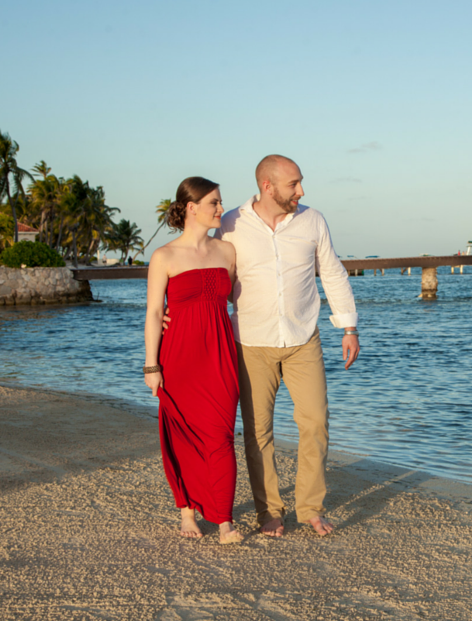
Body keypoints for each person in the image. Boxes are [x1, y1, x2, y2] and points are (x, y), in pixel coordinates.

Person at [216, 154, 360, 537]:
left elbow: (332, 272)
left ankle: (311, 507)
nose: (301, 190)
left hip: (303, 338)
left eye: (300, 182)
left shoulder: (313, 220)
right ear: (268, 186)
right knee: (257, 431)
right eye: (293, 183)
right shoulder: (230, 223)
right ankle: (269, 512)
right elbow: (213, 274)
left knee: (315, 423)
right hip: (250, 341)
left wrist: (349, 327)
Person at [143, 177, 244, 544]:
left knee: (220, 435)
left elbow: (238, 301)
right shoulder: (164, 257)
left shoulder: (227, 253)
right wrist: (151, 366)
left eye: (220, 203)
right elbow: (155, 313)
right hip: (179, 356)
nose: (221, 209)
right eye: (214, 203)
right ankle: (187, 509)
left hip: (219, 356)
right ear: (191, 207)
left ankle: (224, 519)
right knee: (182, 433)